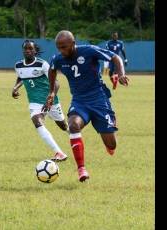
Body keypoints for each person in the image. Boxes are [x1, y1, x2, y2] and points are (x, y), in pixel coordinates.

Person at [43, 30, 129, 182]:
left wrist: (121, 73)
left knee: (112, 145)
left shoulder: (89, 51)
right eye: (59, 47)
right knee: (73, 125)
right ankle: (81, 169)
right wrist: (51, 92)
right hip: (79, 101)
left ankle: (109, 132)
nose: (61, 51)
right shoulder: (57, 58)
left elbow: (115, 57)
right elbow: (52, 70)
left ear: (73, 44)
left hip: (99, 100)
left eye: (64, 47)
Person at [12, 40, 68, 162]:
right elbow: (22, 76)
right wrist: (15, 87)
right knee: (37, 120)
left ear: (35, 51)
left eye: (30, 48)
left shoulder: (43, 64)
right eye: (25, 48)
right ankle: (59, 152)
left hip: (50, 99)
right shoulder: (18, 66)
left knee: (63, 126)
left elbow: (56, 83)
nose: (27, 50)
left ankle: (74, 136)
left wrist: (51, 96)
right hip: (34, 101)